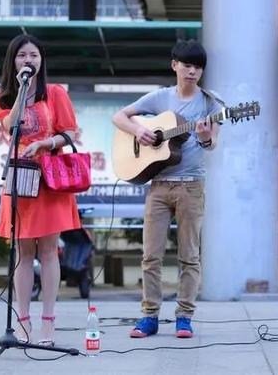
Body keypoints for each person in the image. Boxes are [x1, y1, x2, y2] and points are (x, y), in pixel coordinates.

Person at [112, 40, 222, 339]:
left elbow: (212, 144)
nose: (192, 71)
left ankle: (184, 317)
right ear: (174, 65)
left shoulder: (211, 104)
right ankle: (149, 316)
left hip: (192, 187)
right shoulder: (160, 97)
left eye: (198, 67)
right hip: (159, 186)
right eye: (187, 65)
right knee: (151, 255)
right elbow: (119, 116)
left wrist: (204, 137)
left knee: (190, 255)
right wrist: (139, 130)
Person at [0, 34, 80, 346]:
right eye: (22, 55)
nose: (28, 60)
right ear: (12, 61)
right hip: (19, 179)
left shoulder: (55, 93)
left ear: (41, 60)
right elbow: (10, 126)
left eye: (34, 55)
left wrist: (46, 143)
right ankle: (23, 323)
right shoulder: (3, 96)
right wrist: (21, 90)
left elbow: (70, 133)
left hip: (50, 180)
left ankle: (48, 323)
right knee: (23, 252)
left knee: (49, 251)